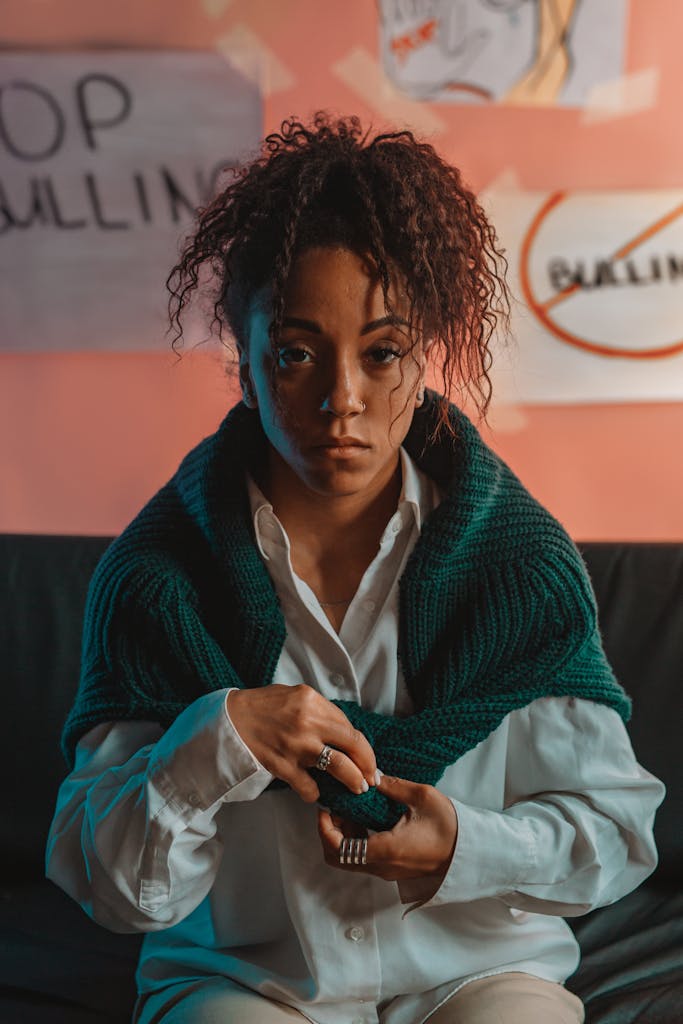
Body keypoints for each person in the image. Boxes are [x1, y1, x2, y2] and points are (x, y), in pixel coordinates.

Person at [46, 113, 664, 1024]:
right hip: (245, 983)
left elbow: (615, 834)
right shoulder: (155, 580)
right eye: (296, 355)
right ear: (246, 367)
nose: (343, 399)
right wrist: (213, 744)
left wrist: (462, 847)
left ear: (421, 362)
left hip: (481, 973)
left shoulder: (520, 567)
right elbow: (116, 893)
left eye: (381, 353)